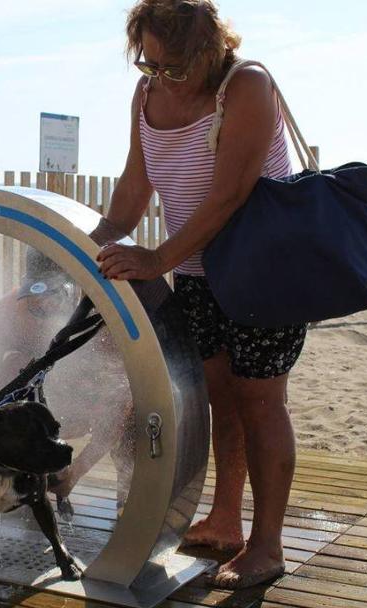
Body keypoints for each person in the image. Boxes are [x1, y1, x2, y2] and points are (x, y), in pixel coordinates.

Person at [96, 0, 306, 589]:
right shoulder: (146, 99)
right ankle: (225, 519)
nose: (161, 79)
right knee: (218, 397)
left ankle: (267, 545)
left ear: (207, 50)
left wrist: (155, 258)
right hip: (196, 275)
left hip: (264, 274)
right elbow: (134, 191)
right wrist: (86, 245)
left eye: (173, 68)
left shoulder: (247, 87)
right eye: (149, 66)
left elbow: (229, 195)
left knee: (261, 402)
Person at [0, 248, 134, 505]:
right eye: (37, 302)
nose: (46, 307)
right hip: (45, 410)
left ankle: (131, 495)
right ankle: (23, 487)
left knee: (138, 404)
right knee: (15, 366)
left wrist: (76, 472)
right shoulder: (3, 317)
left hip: (90, 402)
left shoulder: (101, 323)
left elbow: (121, 404)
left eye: (56, 298)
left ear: (75, 290)